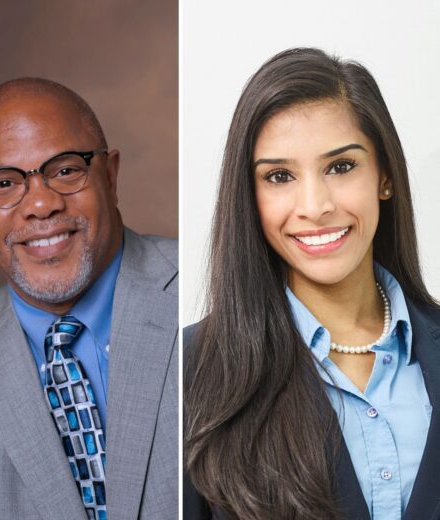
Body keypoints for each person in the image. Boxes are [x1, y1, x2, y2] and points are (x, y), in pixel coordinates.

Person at [184, 48, 440, 520]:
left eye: (340, 167)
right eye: (279, 176)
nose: (314, 205)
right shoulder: (188, 373)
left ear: (384, 175)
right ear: (251, 196)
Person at [0, 78, 178, 519]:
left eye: (64, 170)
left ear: (111, 176)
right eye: (4, 183)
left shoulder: (207, 291)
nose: (40, 205)